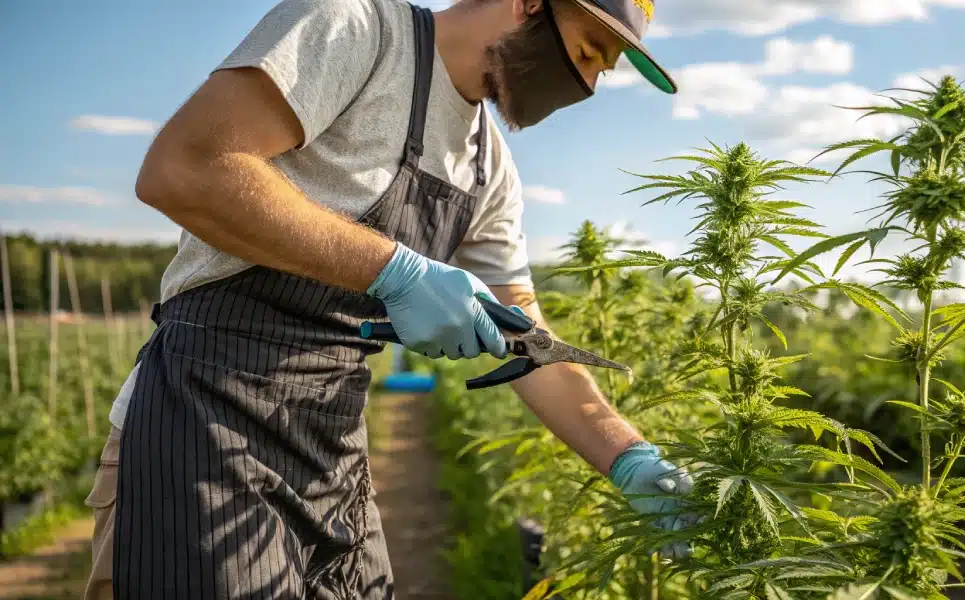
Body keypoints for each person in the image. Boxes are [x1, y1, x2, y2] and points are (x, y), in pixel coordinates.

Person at [81, 0, 694, 598]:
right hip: (203, 418)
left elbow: (528, 339)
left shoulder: (489, 169)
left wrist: (628, 456)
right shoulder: (359, 31)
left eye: (602, 70)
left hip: (331, 441)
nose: (587, 84)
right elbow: (186, 167)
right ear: (529, 5)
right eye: (589, 52)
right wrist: (393, 270)